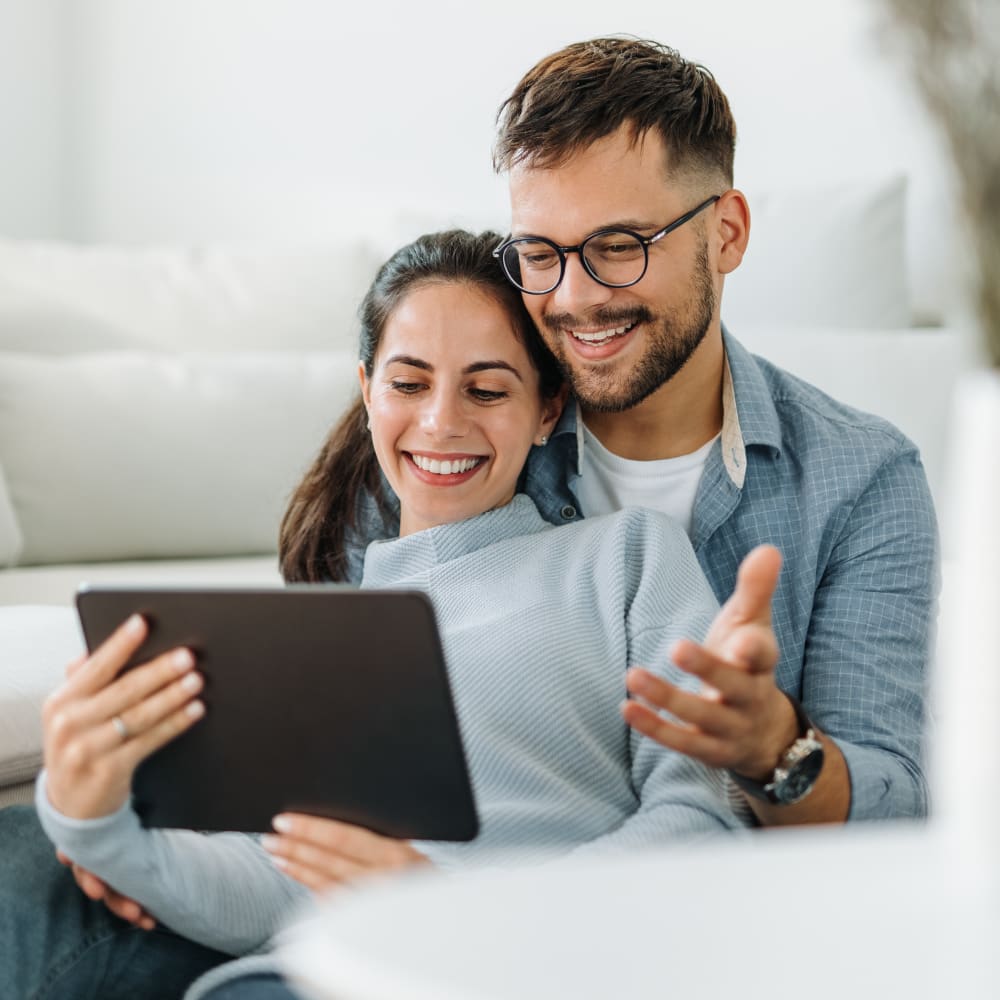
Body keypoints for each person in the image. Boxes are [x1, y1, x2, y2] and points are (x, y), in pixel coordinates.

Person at [0, 229, 751, 1000]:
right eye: (409, 384)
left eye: (487, 390)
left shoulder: (626, 558)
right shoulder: (321, 636)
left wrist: (462, 911)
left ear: (545, 408)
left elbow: (702, 814)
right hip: (314, 975)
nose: (440, 424)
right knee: (18, 846)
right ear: (367, 392)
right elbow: (274, 887)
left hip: (522, 968)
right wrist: (91, 817)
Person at [473, 35, 938, 826]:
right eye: (541, 253)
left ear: (726, 234)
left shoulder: (865, 477)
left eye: (618, 247)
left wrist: (772, 748)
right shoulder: (467, 442)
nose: (575, 297)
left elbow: (890, 806)